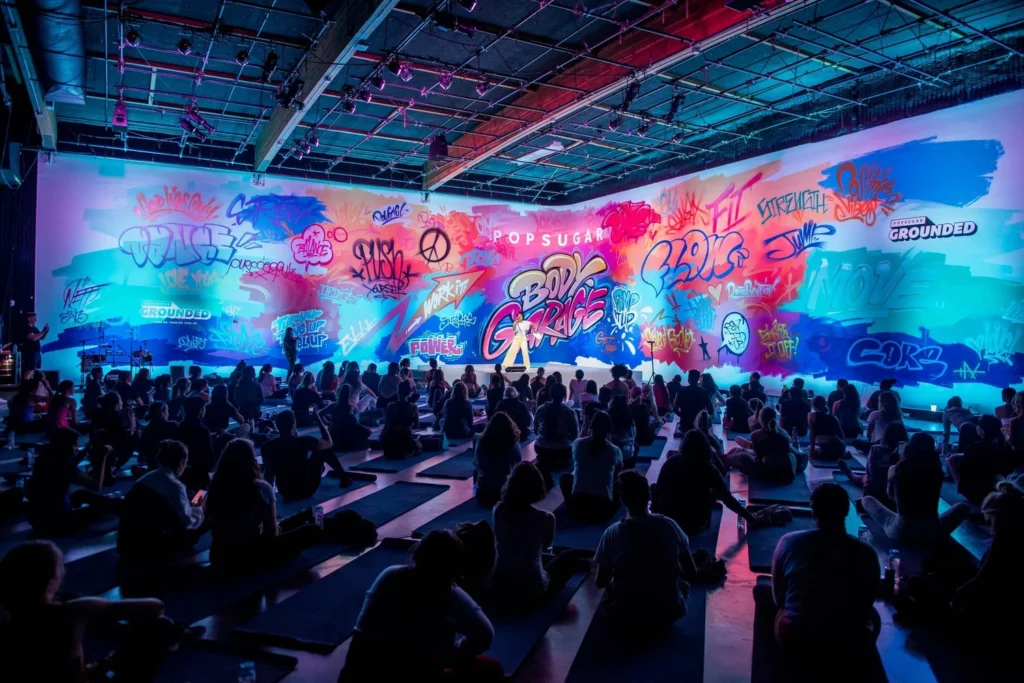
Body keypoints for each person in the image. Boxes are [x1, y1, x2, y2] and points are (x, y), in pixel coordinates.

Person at [0, 540, 187, 682]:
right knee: (162, 626)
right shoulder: (72, 612)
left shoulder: (8, 619)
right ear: (51, 582)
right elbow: (155, 607)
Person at [340, 530, 501, 682]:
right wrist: (457, 651)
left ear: (418, 554)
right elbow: (485, 635)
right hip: (414, 670)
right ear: (455, 567)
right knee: (490, 668)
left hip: (356, 674)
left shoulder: (389, 575)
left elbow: (363, 631)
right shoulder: (450, 595)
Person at [770, 482, 880, 653]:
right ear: (846, 511)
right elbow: (867, 602)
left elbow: (779, 600)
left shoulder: (788, 542)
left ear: (813, 510)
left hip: (797, 642)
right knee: (875, 618)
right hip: (849, 645)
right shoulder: (867, 553)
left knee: (768, 598)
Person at [595, 469, 697, 628]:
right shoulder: (670, 525)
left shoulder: (613, 532)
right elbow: (691, 572)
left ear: (622, 500)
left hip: (626, 614)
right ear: (648, 495)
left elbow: (601, 581)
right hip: (669, 612)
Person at [205, 439, 323, 574]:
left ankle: (315, 518)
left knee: (295, 520)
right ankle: (321, 524)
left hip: (218, 557)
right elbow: (272, 534)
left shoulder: (215, 486)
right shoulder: (261, 488)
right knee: (312, 530)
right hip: (250, 556)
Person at [490, 461, 585, 606]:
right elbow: (545, 546)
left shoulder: (497, 511)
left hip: (499, 589)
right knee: (571, 556)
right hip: (532, 591)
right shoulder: (546, 518)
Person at [861, 432, 970, 544]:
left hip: (901, 531)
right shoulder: (937, 472)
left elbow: (891, 497)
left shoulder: (896, 469)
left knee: (867, 500)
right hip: (933, 531)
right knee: (963, 507)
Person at [117, 439, 207, 566]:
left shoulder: (148, 477)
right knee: (205, 517)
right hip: (147, 550)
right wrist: (198, 505)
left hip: (126, 545)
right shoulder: (175, 486)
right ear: (182, 462)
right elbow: (189, 522)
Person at [950, 481, 1024, 630]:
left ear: (998, 517)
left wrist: (957, 596)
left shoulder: (1004, 540)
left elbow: (984, 577)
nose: (990, 528)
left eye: (990, 521)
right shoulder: (1015, 533)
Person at [653, 430, 757, 535]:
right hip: (695, 523)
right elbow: (727, 498)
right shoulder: (709, 469)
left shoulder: (672, 461)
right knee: (714, 492)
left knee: (655, 487)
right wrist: (749, 517)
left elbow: (658, 489)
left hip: (669, 521)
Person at [27, 429, 121, 535]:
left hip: (36, 519)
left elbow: (72, 462)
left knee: (81, 494)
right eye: (75, 445)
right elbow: (96, 486)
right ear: (67, 446)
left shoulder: (45, 458)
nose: (77, 448)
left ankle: (109, 502)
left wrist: (86, 449)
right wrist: (103, 457)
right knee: (103, 507)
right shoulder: (65, 465)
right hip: (55, 523)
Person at [264, 409, 350, 498]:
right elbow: (329, 443)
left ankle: (338, 475)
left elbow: (269, 474)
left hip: (285, 492)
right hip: (306, 490)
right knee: (324, 449)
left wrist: (268, 498)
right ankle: (344, 477)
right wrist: (319, 419)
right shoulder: (303, 441)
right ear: (293, 424)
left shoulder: (268, 446)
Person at [560, 411, 622, 521]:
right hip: (604, 512)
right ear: (609, 429)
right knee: (621, 482)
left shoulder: (577, 444)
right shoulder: (615, 450)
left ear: (591, 426)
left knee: (565, 477)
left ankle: (570, 504)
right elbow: (617, 474)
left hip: (577, 509)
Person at [839, 422, 908, 506]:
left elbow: (871, 473)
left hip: (878, 489)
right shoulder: (908, 453)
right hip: (898, 492)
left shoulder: (876, 449)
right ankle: (851, 475)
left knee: (865, 478)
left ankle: (850, 474)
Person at [729, 407, 805, 483]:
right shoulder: (784, 433)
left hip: (768, 474)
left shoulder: (756, 435)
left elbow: (758, 458)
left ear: (760, 419)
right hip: (788, 475)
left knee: (741, 456)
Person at [950, 414, 1011, 506]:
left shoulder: (974, 447)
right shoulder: (1002, 447)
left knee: (951, 460)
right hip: (993, 489)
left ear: (981, 430)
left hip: (974, 492)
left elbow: (964, 468)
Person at [473, 412, 523, 506]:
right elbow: (518, 467)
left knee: (475, 471)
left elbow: (477, 464)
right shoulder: (514, 445)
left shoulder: (481, 443)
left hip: (483, 494)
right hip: (504, 495)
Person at [534, 383, 579, 481]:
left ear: (550, 394)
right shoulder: (570, 412)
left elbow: (535, 429)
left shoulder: (540, 409)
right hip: (562, 451)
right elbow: (575, 435)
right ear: (564, 395)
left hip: (541, 448)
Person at [174, 396, 215, 491]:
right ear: (200, 410)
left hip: (182, 472)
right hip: (199, 474)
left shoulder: (179, 427)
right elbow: (209, 457)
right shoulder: (203, 431)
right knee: (198, 496)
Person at [91, 391, 137, 470]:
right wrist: (132, 424)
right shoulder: (117, 416)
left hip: (96, 444)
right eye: (120, 400)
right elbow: (122, 435)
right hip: (114, 445)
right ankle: (116, 464)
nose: (122, 402)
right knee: (136, 437)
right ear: (116, 403)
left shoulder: (98, 412)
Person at [325, 385, 372, 452]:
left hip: (334, 434)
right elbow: (354, 422)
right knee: (367, 432)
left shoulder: (333, 405)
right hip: (346, 432)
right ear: (350, 395)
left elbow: (319, 414)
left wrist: (328, 423)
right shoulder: (351, 406)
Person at [382, 382, 422, 461]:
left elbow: (387, 426)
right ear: (409, 393)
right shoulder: (414, 407)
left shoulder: (390, 406)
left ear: (397, 391)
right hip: (406, 439)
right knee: (419, 443)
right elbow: (417, 425)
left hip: (391, 441)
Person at [139, 401, 179, 470]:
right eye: (167, 411)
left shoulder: (147, 429)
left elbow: (142, 451)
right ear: (162, 413)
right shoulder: (173, 426)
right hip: (170, 466)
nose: (168, 413)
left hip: (152, 467)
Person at [807, 395, 846, 461]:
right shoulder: (834, 418)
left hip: (824, 451)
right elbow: (842, 437)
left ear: (813, 405)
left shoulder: (811, 415)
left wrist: (812, 453)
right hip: (839, 451)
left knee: (809, 447)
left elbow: (812, 435)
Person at [608, 395, 636, 467]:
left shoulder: (608, 420)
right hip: (628, 452)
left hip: (612, 454)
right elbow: (633, 436)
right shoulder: (630, 420)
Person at [20, 312, 48, 378]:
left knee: (33, 370)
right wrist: (43, 331)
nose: (36, 320)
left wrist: (45, 331)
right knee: (29, 370)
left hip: (36, 351)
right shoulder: (26, 328)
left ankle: (30, 382)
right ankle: (26, 382)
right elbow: (34, 338)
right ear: (29, 318)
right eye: (34, 318)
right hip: (30, 352)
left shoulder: (35, 328)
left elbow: (41, 337)